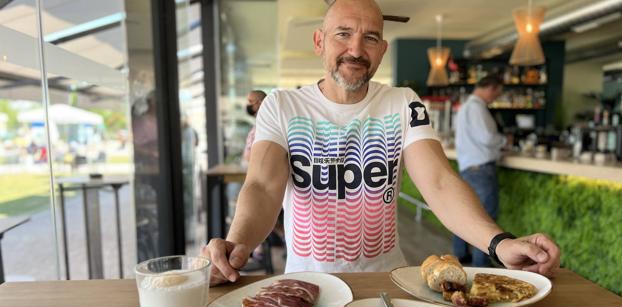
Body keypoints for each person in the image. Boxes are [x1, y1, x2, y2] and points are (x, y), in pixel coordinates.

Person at [203, 0, 560, 286]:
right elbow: (263, 188)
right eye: (342, 34)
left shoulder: (404, 103)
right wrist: (237, 246)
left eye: (370, 38)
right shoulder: (282, 106)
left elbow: (439, 183)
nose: (356, 49)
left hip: (385, 283)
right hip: (307, 285)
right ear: (319, 41)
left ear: (382, 49)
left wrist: (500, 243)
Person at [453, 75, 508, 267]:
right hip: (482, 171)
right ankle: (481, 265)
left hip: (468, 168)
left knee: (465, 214)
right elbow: (486, 137)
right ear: (490, 88)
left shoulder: (464, 107)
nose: (495, 98)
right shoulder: (477, 107)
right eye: (497, 93)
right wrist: (503, 141)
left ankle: (461, 255)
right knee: (486, 220)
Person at [243, 90, 267, 163]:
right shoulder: (258, 123)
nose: (247, 105)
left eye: (250, 101)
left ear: (260, 103)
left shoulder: (266, 124)